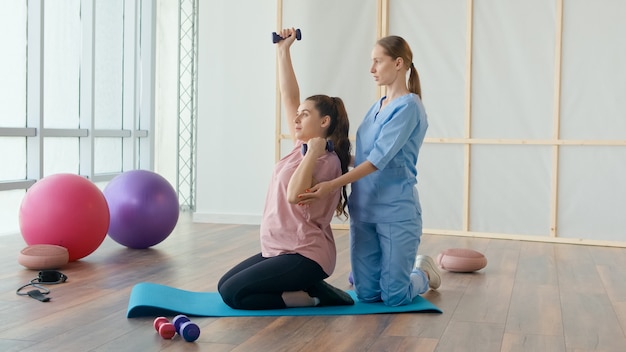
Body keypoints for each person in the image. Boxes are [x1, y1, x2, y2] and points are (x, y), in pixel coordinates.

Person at [297, 35, 441, 306]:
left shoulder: (409, 106)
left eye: (377, 61)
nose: (371, 69)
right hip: (364, 209)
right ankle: (381, 275)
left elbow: (377, 161)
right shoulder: (377, 106)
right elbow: (363, 157)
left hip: (396, 210)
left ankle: (422, 272)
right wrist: (326, 155)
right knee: (367, 295)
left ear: (398, 63)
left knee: (395, 297)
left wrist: (331, 185)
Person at [217, 28, 354, 310]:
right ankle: (306, 289)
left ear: (325, 121)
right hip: (280, 250)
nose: (296, 118)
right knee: (223, 286)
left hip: (306, 255)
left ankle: (314, 298)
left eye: (305, 114)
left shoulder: (327, 161)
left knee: (235, 295)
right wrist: (283, 50)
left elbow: (294, 194)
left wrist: (314, 151)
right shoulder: (300, 148)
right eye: (298, 113)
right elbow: (289, 94)